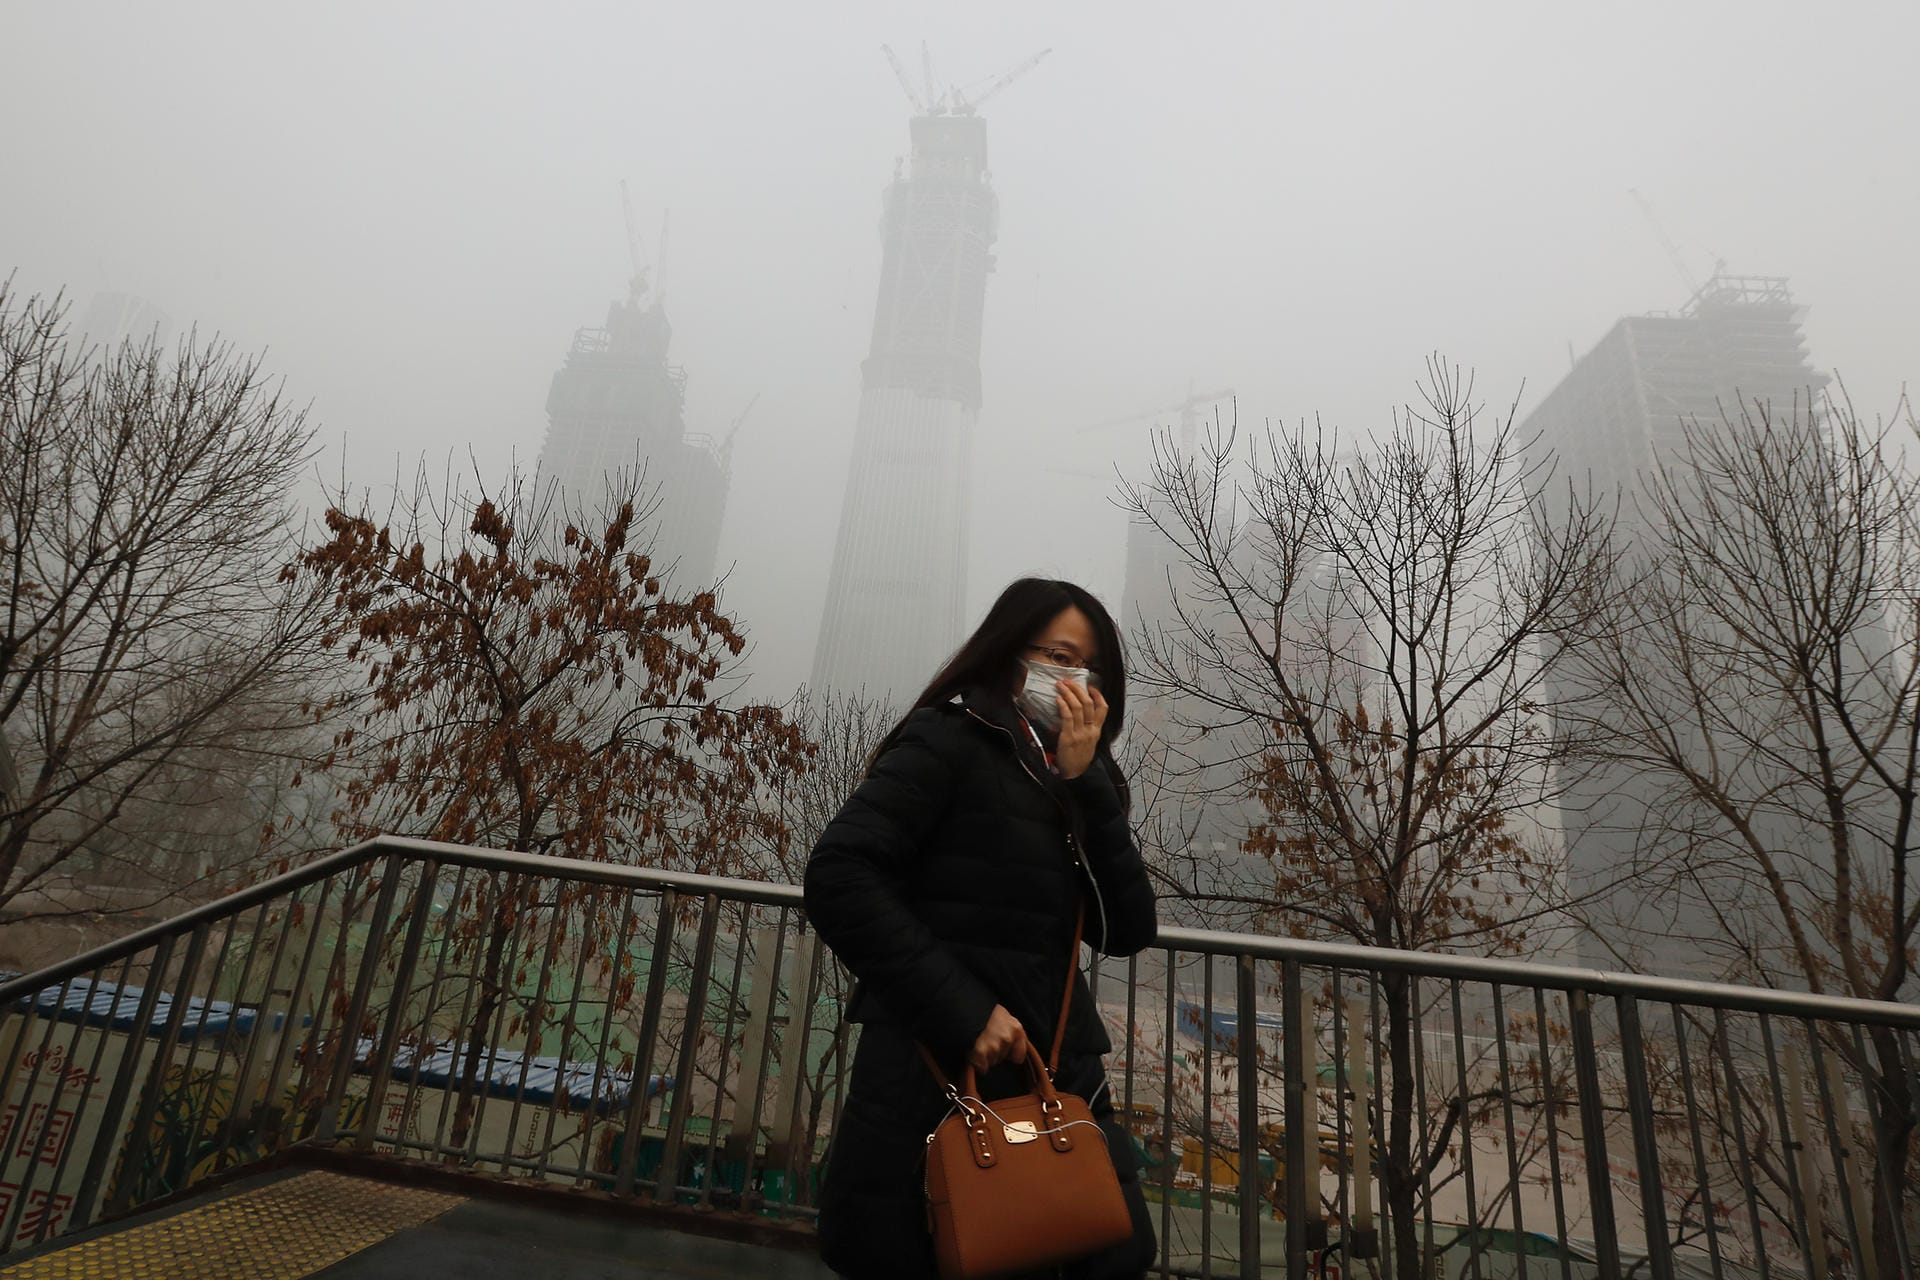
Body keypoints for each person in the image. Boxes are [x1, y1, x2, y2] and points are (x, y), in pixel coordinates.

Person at [803, 578, 1160, 1280]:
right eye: (1059, 654)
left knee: (1082, 1246)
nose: (1074, 678)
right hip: (931, 1078)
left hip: (1055, 1076)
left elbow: (1126, 928)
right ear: (1009, 653)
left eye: (1088, 666)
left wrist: (1087, 783)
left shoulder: (1080, 777)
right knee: (927, 1248)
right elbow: (840, 875)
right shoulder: (949, 739)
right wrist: (965, 1011)